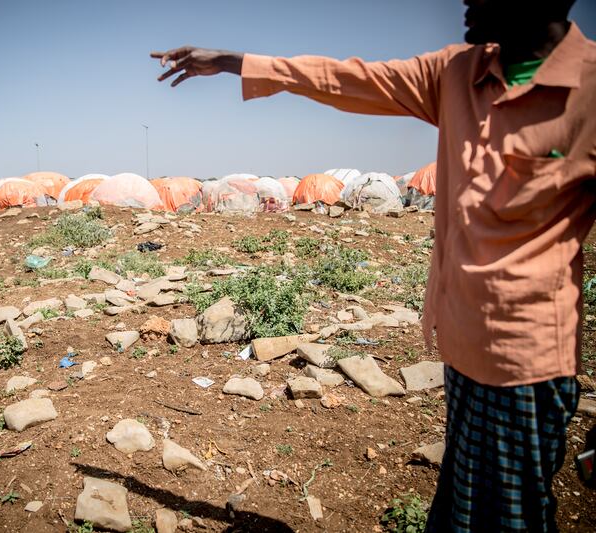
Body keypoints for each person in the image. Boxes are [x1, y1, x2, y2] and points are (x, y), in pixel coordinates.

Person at [152, 0, 594, 530]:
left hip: (526, 362)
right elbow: (348, 78)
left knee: (513, 516)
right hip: (460, 343)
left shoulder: (588, 91)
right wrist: (234, 62)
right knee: (462, 503)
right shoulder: (458, 72)